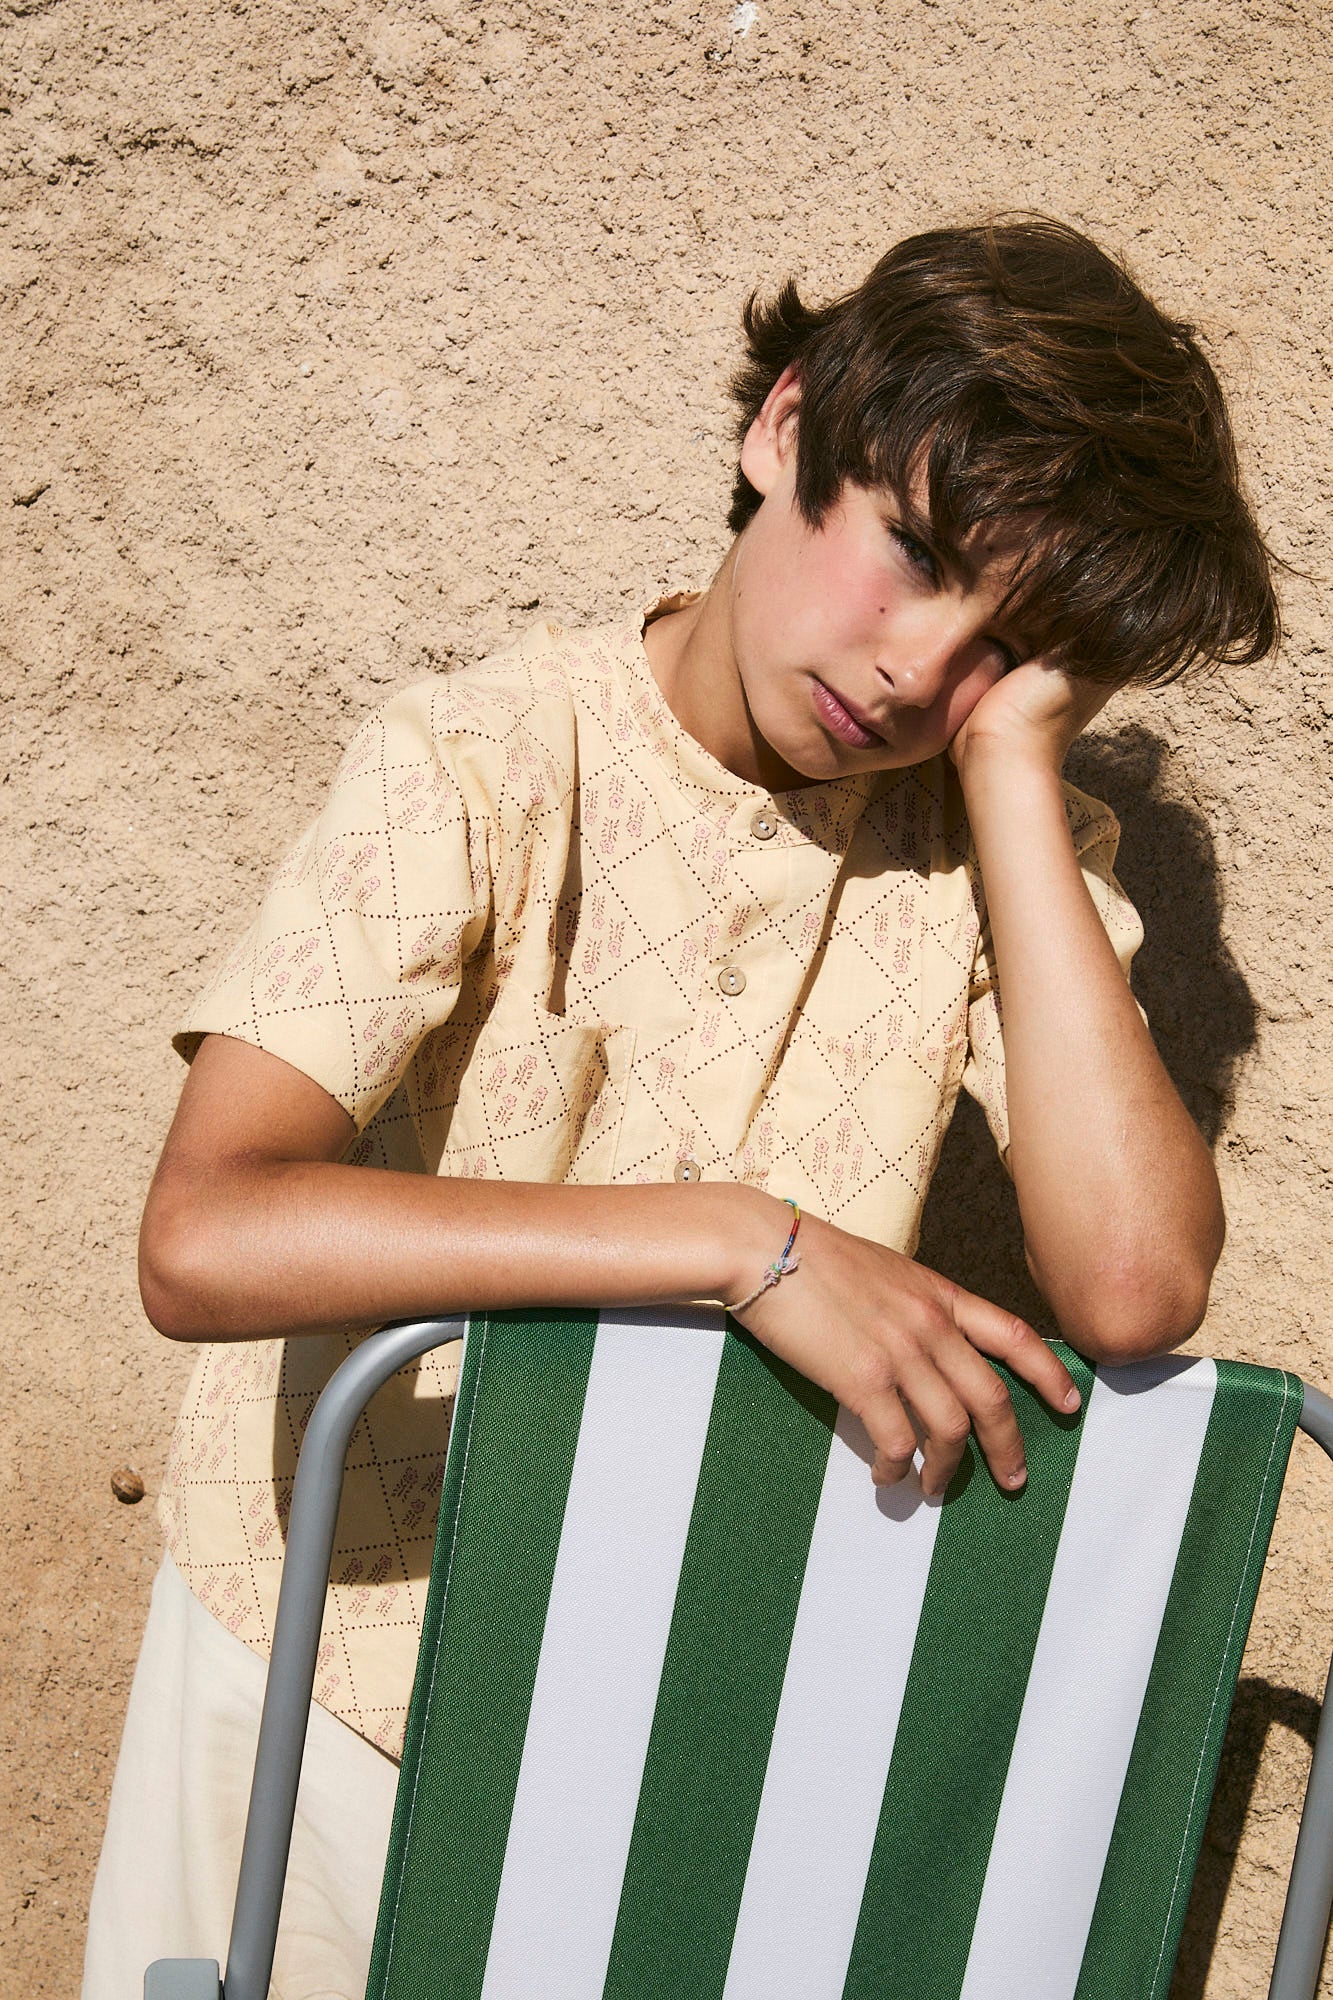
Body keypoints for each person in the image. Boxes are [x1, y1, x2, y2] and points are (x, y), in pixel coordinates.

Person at [82, 215, 1279, 1998]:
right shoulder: (484, 758)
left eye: (1008, 646)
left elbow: (1132, 1286)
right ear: (784, 428)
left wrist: (1017, 765)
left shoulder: (986, 842)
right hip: (320, 1666)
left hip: (679, 1702)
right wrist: (737, 1243)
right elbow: (203, 1238)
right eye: (916, 555)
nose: (915, 667)